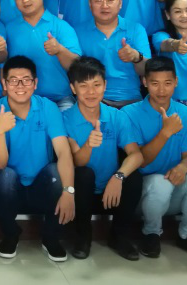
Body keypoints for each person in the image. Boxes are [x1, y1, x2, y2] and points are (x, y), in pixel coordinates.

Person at [0, 56, 81, 262]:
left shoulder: (48, 108)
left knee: (56, 172)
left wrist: (69, 191)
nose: (20, 85)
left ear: (35, 83)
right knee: (5, 176)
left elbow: (63, 151)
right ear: (4, 84)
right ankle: (11, 234)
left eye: (26, 80)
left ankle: (51, 237)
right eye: (13, 80)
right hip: (11, 190)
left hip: (41, 185)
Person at [121, 57, 187, 260]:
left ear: (176, 82)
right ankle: (151, 233)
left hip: (173, 186)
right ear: (144, 82)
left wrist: (183, 167)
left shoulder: (186, 113)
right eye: (155, 83)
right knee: (159, 183)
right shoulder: (129, 113)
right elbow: (141, 160)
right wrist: (165, 132)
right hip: (142, 192)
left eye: (168, 83)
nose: (162, 90)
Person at [63, 56, 144, 260]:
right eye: (84, 86)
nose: (91, 92)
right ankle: (83, 236)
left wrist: (118, 177)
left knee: (133, 176)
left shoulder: (116, 116)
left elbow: (136, 155)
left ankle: (119, 236)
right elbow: (77, 162)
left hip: (111, 192)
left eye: (96, 85)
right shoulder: (65, 119)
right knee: (83, 174)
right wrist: (89, 145)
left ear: (105, 85)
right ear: (73, 88)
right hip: (80, 194)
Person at [6, 0, 80, 110]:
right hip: (23, 99)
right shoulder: (9, 29)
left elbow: (76, 67)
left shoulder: (62, 27)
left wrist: (60, 50)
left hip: (60, 99)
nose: (25, 0)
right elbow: (3, 66)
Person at [78, 0, 150, 108]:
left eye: (110, 0)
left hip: (130, 99)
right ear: (90, 4)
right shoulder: (78, 32)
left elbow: (147, 70)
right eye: (98, 1)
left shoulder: (136, 29)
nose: (104, 6)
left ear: (120, 3)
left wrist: (136, 57)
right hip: (93, 99)